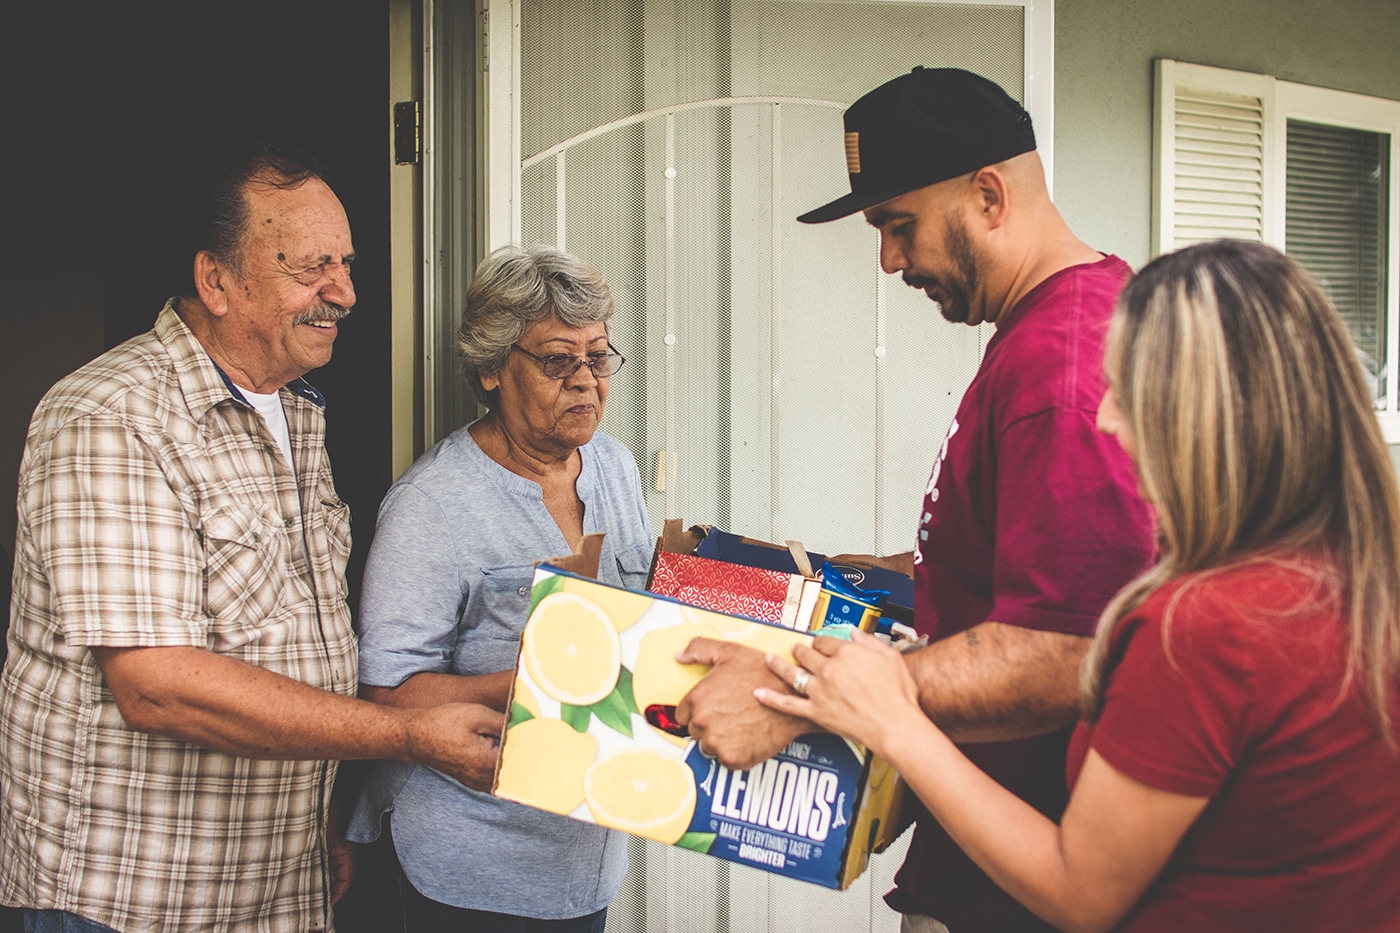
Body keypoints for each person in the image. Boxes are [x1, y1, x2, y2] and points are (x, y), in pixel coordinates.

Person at [757, 239, 1400, 931]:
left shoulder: (1206, 626)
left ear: (1203, 413)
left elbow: (1081, 890)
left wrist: (899, 722)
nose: (1106, 419)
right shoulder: (1352, 579)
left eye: (1127, 391)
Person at [675, 67, 1156, 932]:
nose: (891, 261)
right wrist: (805, 576)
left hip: (1016, 899)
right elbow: (1005, 569)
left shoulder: (1064, 367)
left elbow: (1068, 647)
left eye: (900, 227)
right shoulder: (1048, 330)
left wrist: (793, 693)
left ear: (987, 196)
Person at [0, 150, 504, 933]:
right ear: (217, 280)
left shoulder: (296, 408)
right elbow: (157, 682)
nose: (345, 292)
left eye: (345, 264)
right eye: (312, 268)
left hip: (274, 884)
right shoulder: (113, 416)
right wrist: (406, 735)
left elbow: (296, 643)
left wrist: (318, 824)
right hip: (130, 898)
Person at [346, 245, 654, 932]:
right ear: (490, 369)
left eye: (598, 357)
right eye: (556, 360)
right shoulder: (431, 504)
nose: (585, 382)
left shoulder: (615, 467)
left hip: (588, 856)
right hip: (468, 865)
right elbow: (386, 695)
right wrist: (531, 679)